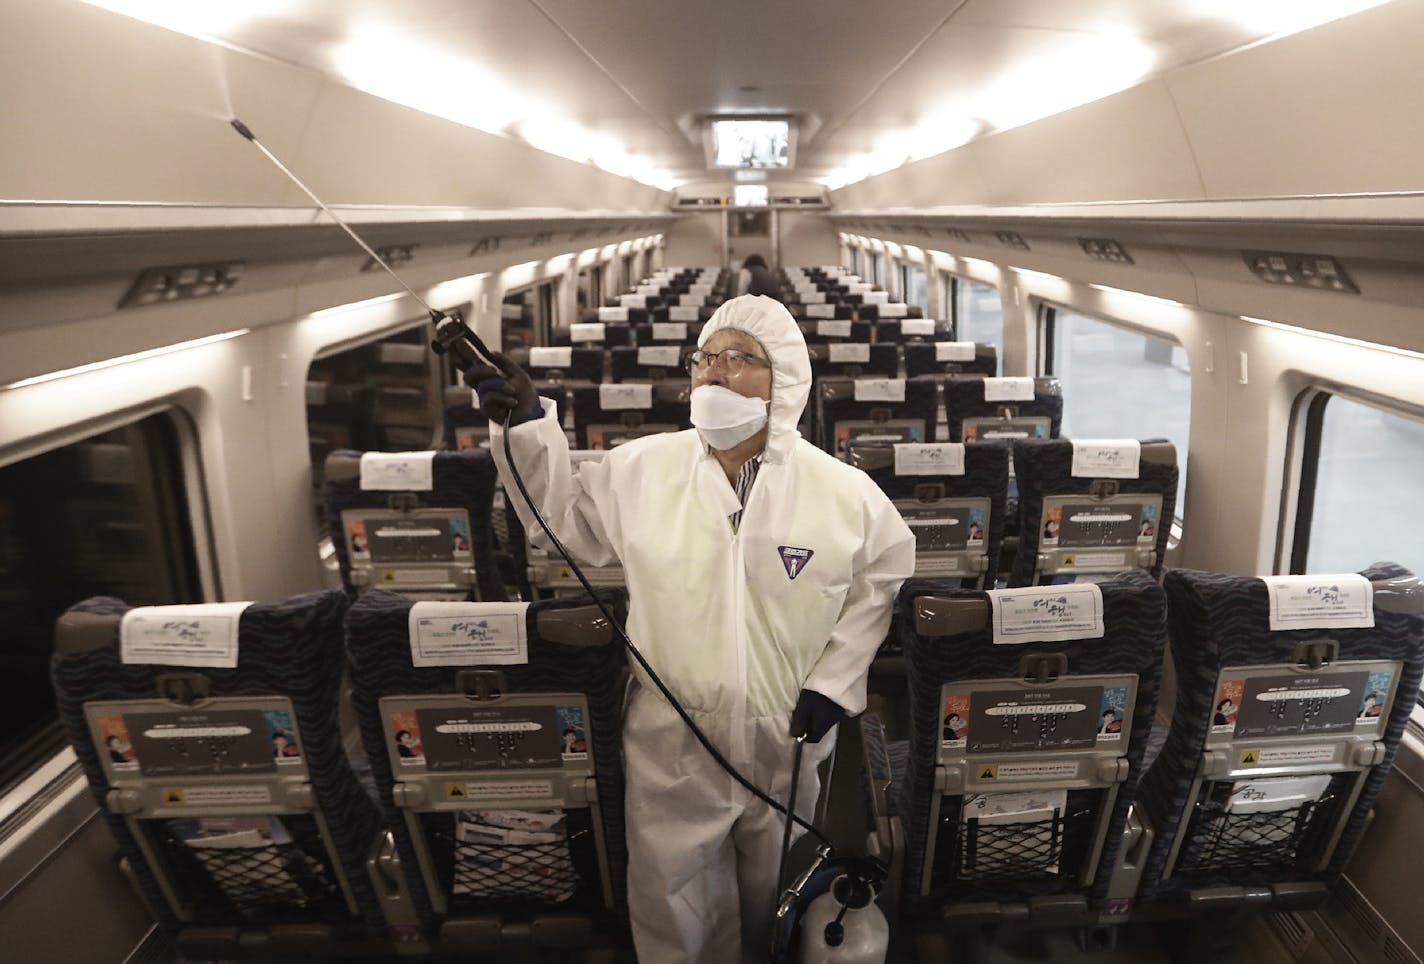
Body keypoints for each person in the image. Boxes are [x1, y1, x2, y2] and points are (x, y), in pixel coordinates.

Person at [466, 295, 914, 964]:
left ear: (785, 381)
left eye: (740, 359)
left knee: (774, 895)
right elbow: (559, 520)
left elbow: (882, 574)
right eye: (705, 358)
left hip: (787, 737)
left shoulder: (840, 492)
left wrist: (837, 680)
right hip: (672, 737)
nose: (713, 373)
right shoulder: (642, 469)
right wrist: (527, 426)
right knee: (673, 900)